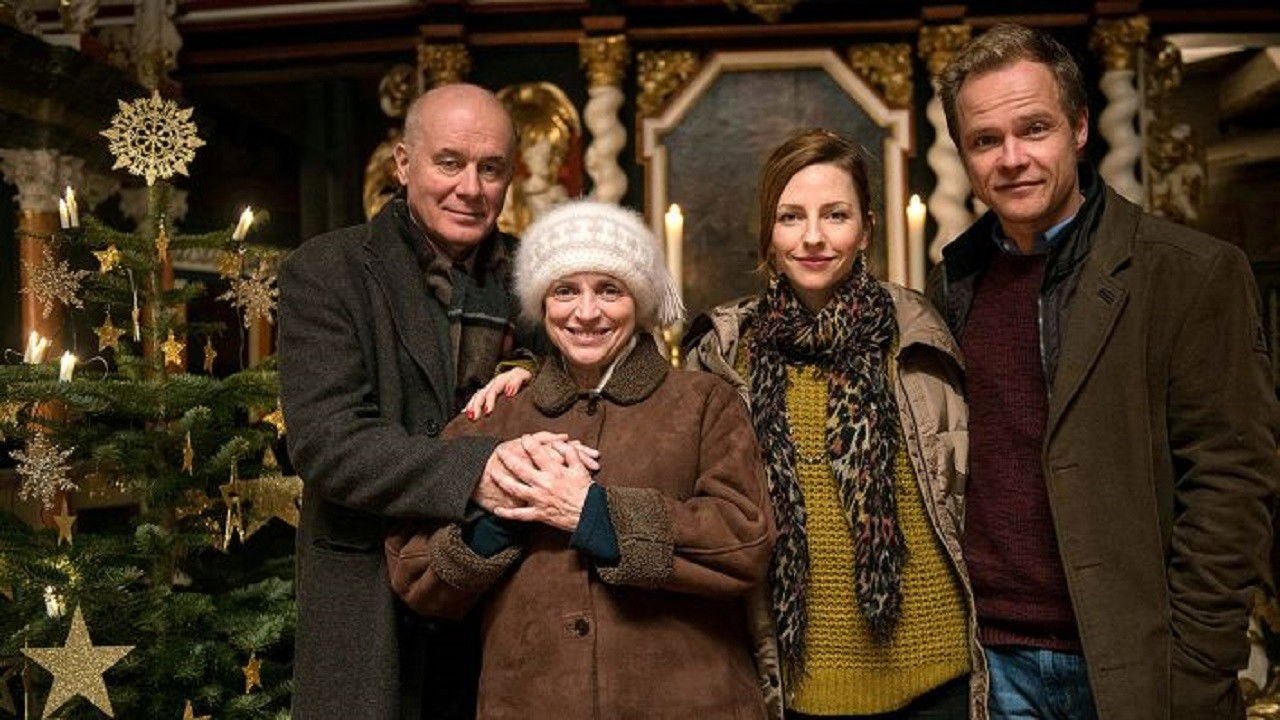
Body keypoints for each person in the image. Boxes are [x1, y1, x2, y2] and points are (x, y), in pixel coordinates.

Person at [928, 23, 1280, 720]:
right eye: (985, 140)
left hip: (1134, 664)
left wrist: (1198, 661)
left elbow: (1232, 482)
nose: (1012, 158)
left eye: (1034, 129)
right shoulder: (953, 286)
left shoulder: (1190, 273)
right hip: (991, 667)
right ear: (964, 154)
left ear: (1080, 128)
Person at [384, 199, 776, 719]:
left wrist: (593, 514)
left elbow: (743, 542)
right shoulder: (496, 416)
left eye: (609, 290)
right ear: (542, 304)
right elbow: (414, 575)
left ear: (638, 300)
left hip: (693, 703)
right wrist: (504, 512)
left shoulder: (704, 403)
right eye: (565, 290)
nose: (586, 313)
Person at [278, 83, 595, 719]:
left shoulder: (541, 278)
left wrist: (532, 370)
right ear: (403, 163)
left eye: (491, 169)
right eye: (449, 162)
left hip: (504, 598)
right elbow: (328, 444)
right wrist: (480, 469)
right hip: (370, 601)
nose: (470, 188)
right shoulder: (327, 270)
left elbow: (594, 394)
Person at [682, 129, 985, 720]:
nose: (814, 237)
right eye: (791, 216)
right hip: (797, 683)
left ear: (866, 229)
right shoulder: (725, 355)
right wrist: (522, 371)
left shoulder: (921, 337)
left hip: (935, 673)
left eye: (835, 215)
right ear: (769, 234)